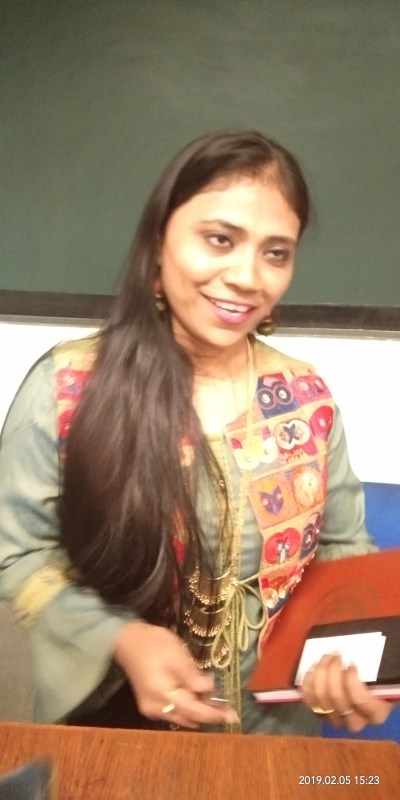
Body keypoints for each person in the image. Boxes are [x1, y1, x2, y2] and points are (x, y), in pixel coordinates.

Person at [0, 130, 393, 736]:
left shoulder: (305, 398)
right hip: (118, 732)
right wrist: (121, 638)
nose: (248, 277)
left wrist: (348, 653)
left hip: (276, 734)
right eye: (220, 240)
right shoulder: (68, 387)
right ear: (159, 244)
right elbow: (16, 554)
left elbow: (342, 547)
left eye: (276, 253)